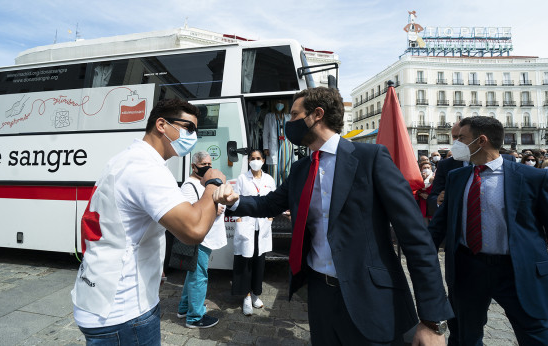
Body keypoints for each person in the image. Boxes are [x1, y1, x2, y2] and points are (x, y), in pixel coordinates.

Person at [214, 87, 452, 345]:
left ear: (317, 114)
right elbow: (271, 204)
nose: (288, 122)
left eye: (294, 114)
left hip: (371, 298)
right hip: (319, 294)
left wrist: (432, 320)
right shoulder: (301, 168)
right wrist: (235, 201)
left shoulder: (371, 158)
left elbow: (416, 238)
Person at [71, 99, 226, 345]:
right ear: (162, 125)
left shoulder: (125, 159)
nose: (192, 136)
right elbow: (194, 230)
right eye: (188, 128)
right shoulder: (146, 169)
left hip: (98, 298)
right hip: (124, 312)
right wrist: (213, 183)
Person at [428, 116, 548, 345]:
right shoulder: (457, 178)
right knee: (465, 337)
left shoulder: (533, 178)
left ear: (481, 141)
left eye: (461, 138)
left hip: (519, 272)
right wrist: (420, 260)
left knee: (537, 336)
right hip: (468, 270)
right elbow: (438, 227)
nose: (456, 144)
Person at [176, 151, 227, 329]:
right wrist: (215, 209)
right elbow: (190, 211)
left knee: (193, 274)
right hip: (200, 238)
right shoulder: (189, 186)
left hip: (206, 236)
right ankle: (195, 317)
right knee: (199, 276)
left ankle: (184, 308)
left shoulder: (204, 183)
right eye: (204, 164)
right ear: (194, 166)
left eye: (210, 164)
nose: (208, 167)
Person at [232, 149, 276, 316]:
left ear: (263, 161)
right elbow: (236, 200)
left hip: (262, 225)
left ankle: (256, 293)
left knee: (259, 261)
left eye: (258, 158)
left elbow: (273, 200)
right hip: (247, 225)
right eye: (252, 158)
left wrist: (271, 218)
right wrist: (239, 220)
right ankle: (246, 296)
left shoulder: (269, 179)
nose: (255, 161)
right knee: (245, 262)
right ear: (248, 161)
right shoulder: (243, 178)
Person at [427, 122, 465, 217]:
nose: (457, 141)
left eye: (461, 137)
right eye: (455, 137)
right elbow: (432, 198)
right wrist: (438, 202)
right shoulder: (445, 165)